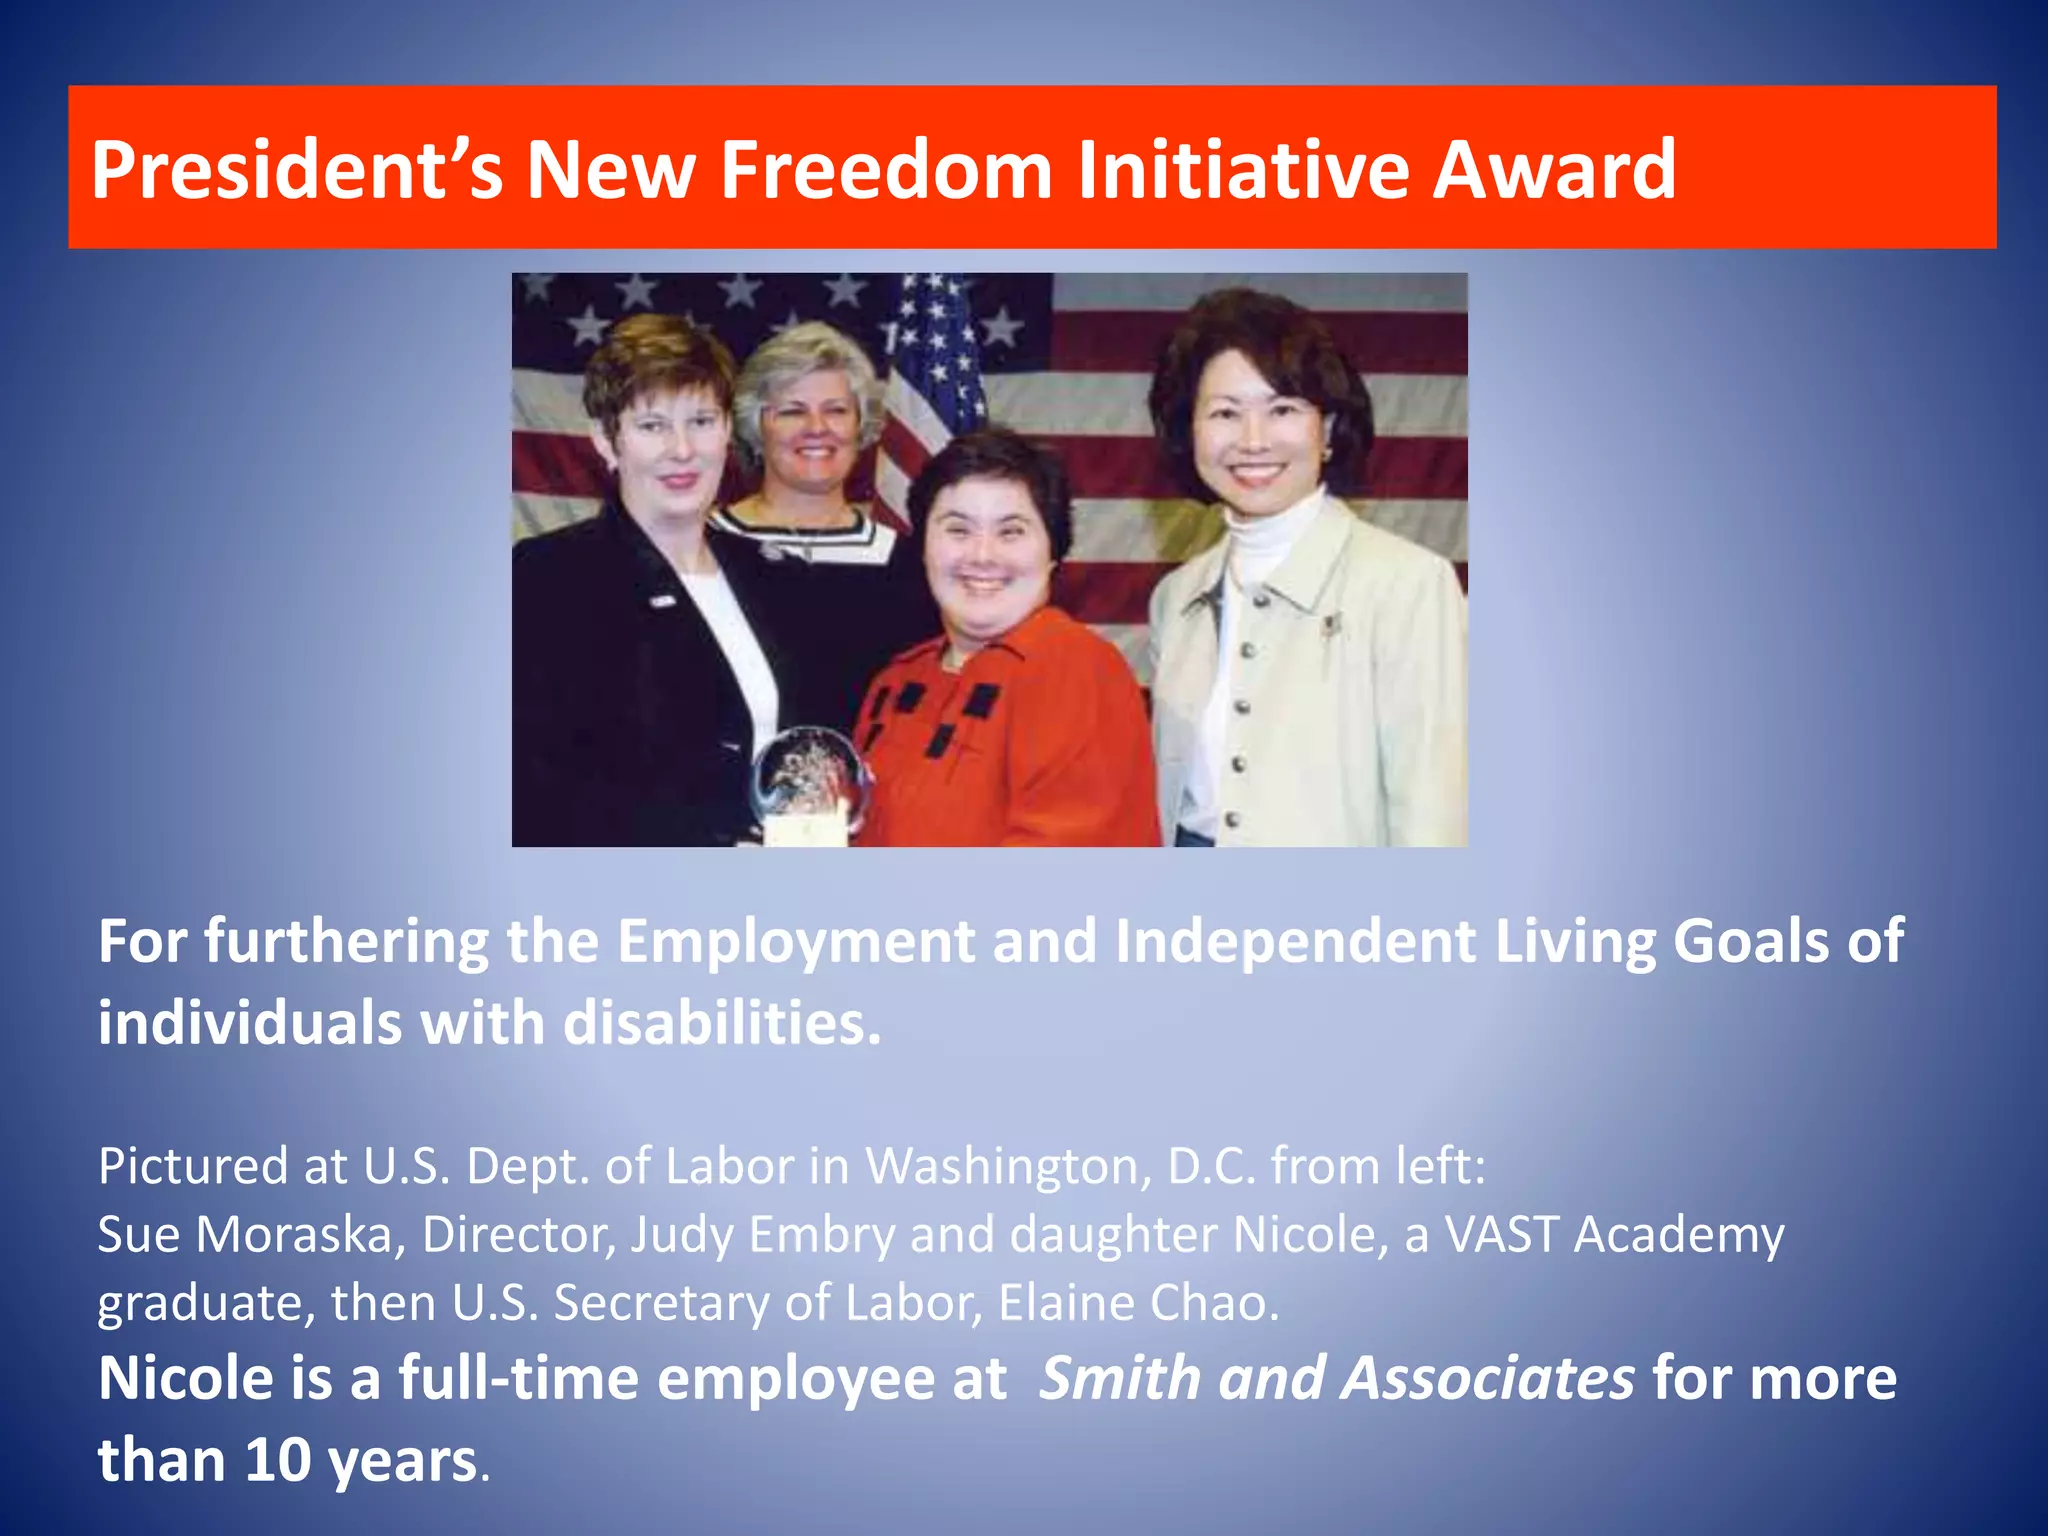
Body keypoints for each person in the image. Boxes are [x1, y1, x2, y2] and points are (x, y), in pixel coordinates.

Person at [1146, 288, 1467, 847]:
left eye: (1283, 410)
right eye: (1225, 413)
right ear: (1188, 431)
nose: (1252, 441)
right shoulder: (1175, 597)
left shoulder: (1411, 585)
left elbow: (1435, 816)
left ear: (1327, 431)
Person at [512, 313, 826, 846]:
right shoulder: (545, 579)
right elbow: (536, 792)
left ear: (728, 430)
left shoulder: (778, 577)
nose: (682, 449)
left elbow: (809, 757)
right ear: (607, 442)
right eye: (652, 425)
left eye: (701, 421)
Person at [854, 430, 1159, 848]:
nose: (982, 555)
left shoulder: (1075, 669)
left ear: (1053, 551)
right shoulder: (896, 683)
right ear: (923, 547)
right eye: (958, 530)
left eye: (1011, 532)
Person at [712, 321, 935, 731]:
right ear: (756, 426)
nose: (817, 428)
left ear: (860, 424)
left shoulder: (911, 568)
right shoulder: (700, 551)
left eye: (836, 410)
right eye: (793, 410)